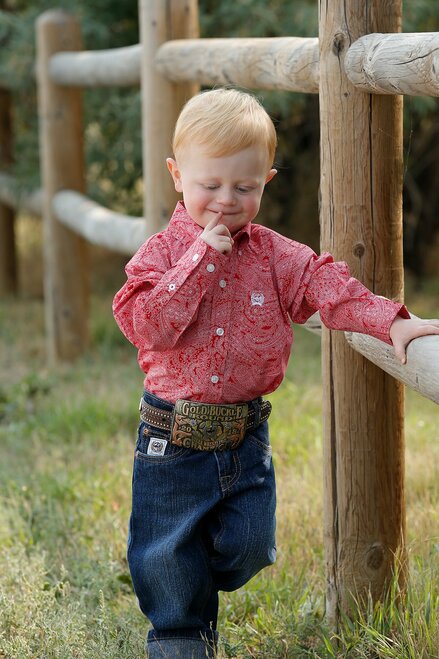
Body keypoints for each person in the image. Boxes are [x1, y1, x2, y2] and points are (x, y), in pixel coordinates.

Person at [113, 87, 439, 658]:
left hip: (244, 436)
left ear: (266, 178)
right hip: (171, 437)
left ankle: (189, 571)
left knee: (251, 547)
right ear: (176, 174)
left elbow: (324, 285)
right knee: (165, 558)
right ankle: (180, 632)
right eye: (209, 185)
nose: (224, 201)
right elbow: (147, 324)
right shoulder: (161, 254)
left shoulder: (273, 254)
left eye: (243, 187)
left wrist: (392, 322)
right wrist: (200, 259)